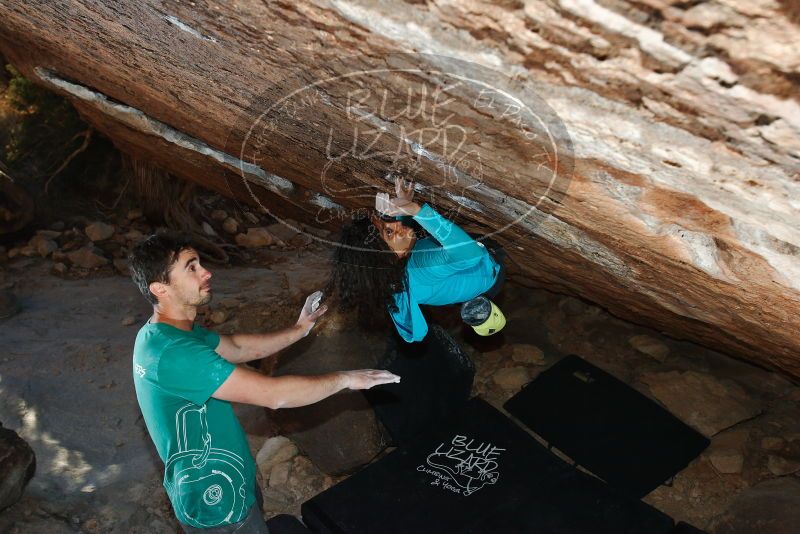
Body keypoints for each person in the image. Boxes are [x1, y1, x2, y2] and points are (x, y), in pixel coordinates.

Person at [128, 232, 399, 533]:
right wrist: (346, 379)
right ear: (160, 289)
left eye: (200, 263)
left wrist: (301, 328)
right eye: (191, 267)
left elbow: (239, 348)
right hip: (216, 500)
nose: (207, 272)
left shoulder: (167, 332)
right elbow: (274, 396)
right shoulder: (175, 353)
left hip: (230, 473)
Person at [329, 178, 506, 343]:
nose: (396, 225)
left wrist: (402, 211)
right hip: (489, 267)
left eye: (386, 223)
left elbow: (398, 246)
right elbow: (472, 255)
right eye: (388, 232)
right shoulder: (422, 268)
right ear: (386, 258)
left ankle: (471, 299)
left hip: (456, 280)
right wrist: (417, 211)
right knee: (466, 245)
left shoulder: (388, 275)